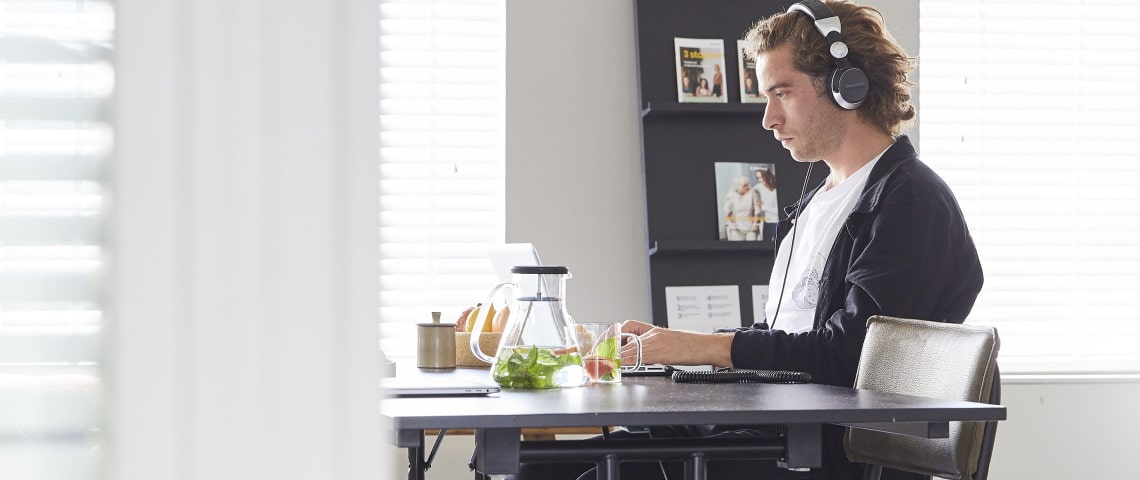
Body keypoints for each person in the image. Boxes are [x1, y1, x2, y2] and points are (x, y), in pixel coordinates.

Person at [512, 1, 982, 479]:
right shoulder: (818, 202)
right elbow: (786, 338)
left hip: (829, 453)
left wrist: (701, 348)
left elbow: (849, 355)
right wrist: (674, 347)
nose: (768, 119)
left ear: (847, 87)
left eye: (782, 93)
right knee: (532, 469)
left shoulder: (911, 204)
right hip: (774, 428)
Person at [721, 175, 760, 241]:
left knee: (752, 241)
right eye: (745, 185)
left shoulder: (752, 193)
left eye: (748, 184)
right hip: (737, 228)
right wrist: (732, 224)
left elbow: (757, 211)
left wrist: (755, 224)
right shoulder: (731, 195)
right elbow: (727, 211)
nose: (748, 187)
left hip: (750, 227)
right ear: (738, 186)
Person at [751, 166, 779, 241]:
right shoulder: (759, 187)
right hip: (766, 222)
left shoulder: (776, 189)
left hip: (776, 222)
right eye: (758, 178)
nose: (760, 180)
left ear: (767, 176)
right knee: (766, 241)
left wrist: (763, 206)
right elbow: (749, 191)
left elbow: (778, 211)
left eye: (761, 177)